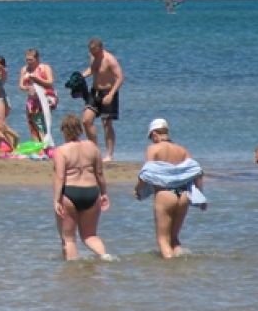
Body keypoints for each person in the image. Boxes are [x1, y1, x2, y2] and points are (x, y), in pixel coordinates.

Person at [135, 118, 206, 259]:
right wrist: (201, 196)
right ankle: (180, 267)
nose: (151, 140)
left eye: (151, 137)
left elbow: (147, 173)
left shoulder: (153, 149)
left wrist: (138, 189)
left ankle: (169, 270)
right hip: (184, 195)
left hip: (165, 195)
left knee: (162, 239)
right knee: (174, 239)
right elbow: (197, 172)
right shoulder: (182, 150)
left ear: (154, 133)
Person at [51, 114, 112, 261]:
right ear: (80, 130)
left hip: (70, 193)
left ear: (63, 131)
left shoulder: (61, 151)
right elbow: (99, 173)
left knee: (69, 238)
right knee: (90, 235)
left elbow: (60, 177)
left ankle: (73, 270)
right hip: (91, 192)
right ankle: (105, 256)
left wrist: (56, 200)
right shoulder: (92, 147)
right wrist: (104, 193)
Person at [79, 38, 124, 162]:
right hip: (95, 92)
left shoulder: (110, 59)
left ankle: (109, 154)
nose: (92, 54)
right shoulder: (93, 56)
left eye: (95, 51)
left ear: (101, 48)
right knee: (86, 120)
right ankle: (95, 150)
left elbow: (120, 77)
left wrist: (111, 95)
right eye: (91, 51)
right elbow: (93, 69)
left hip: (109, 92)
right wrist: (81, 76)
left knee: (107, 123)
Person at [19, 48, 56, 143]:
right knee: (32, 124)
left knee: (42, 123)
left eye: (31, 59)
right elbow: (21, 86)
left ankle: (45, 145)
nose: (28, 62)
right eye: (27, 59)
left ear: (37, 59)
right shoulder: (24, 69)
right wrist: (27, 88)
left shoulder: (45, 68)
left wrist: (36, 79)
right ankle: (37, 147)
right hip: (31, 100)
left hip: (45, 99)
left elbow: (50, 82)